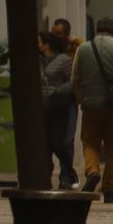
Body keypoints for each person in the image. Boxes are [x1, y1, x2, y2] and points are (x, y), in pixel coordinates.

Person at [71, 17, 113, 203]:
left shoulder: (83, 48)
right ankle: (109, 188)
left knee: (89, 142)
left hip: (91, 105)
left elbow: (75, 78)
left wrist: (82, 100)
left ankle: (93, 171)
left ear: (96, 30)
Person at [39, 28, 78, 188]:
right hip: (41, 107)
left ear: (46, 45)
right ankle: (44, 177)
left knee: (59, 143)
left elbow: (72, 82)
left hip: (59, 107)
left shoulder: (64, 60)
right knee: (44, 144)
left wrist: (57, 92)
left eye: (39, 42)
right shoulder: (38, 60)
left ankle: (68, 171)